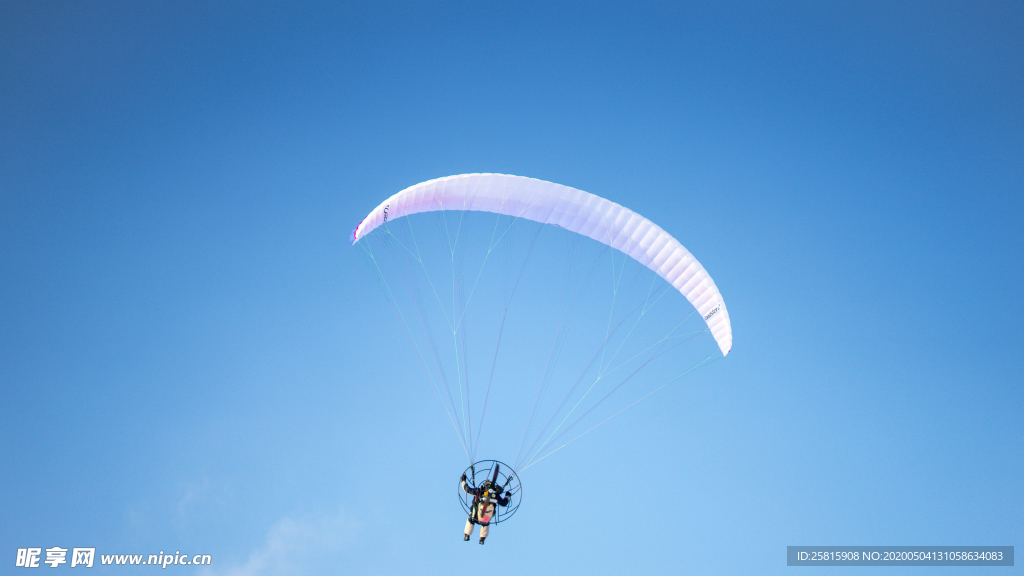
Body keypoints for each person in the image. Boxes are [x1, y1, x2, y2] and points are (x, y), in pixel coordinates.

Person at [461, 473, 510, 544]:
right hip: (486, 518)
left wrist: (463, 480)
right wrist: (507, 496)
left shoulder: (479, 491)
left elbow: (467, 489)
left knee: (471, 519)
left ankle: (467, 535)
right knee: (486, 523)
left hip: (476, 516)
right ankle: (482, 539)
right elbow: (504, 503)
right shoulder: (496, 495)